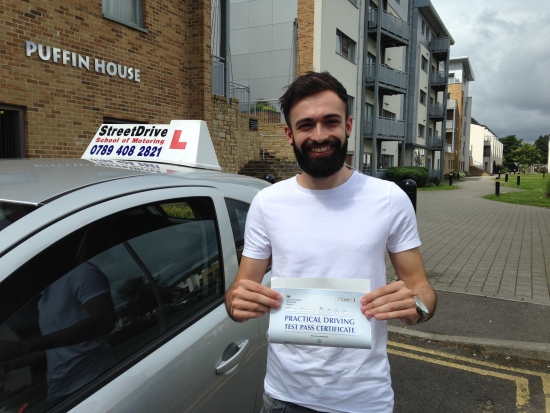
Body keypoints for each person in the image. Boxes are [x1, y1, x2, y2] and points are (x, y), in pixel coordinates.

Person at [225, 71, 436, 413]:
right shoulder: (267, 202)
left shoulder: (388, 198)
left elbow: (422, 289)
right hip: (283, 397)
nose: (319, 135)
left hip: (364, 400)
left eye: (330, 121)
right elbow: (238, 292)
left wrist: (417, 307)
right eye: (306, 125)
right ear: (289, 134)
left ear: (348, 125)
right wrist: (237, 304)